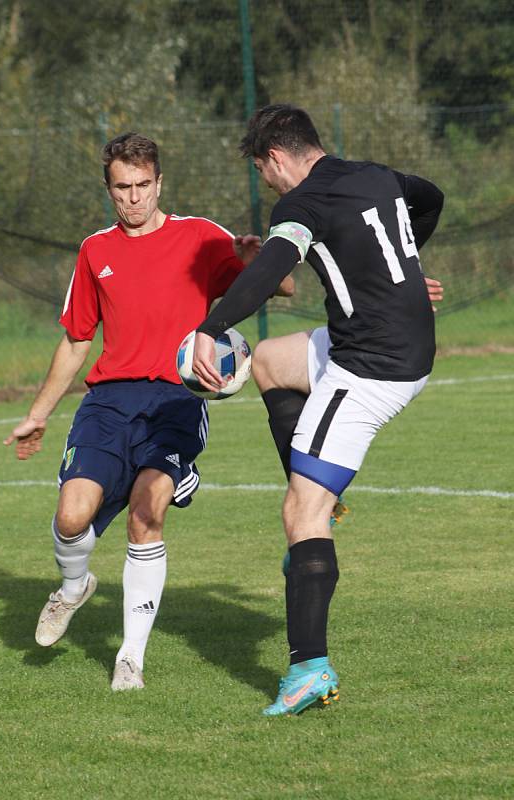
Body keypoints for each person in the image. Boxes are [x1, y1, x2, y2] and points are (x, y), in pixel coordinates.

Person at [3, 132, 292, 692]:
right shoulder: (95, 251)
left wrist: (257, 262)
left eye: (142, 186)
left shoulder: (203, 238)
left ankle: (129, 658)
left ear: (160, 182)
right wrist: (37, 413)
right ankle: (72, 588)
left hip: (176, 400)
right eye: (121, 189)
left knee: (146, 511)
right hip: (109, 401)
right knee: (70, 517)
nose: (133, 199)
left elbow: (280, 285)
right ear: (109, 189)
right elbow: (76, 340)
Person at [192, 104, 444, 716]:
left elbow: (273, 268)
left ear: (276, 158)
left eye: (263, 171)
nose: (269, 184)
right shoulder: (374, 175)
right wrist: (404, 275)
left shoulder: (300, 205)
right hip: (396, 339)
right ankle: (323, 497)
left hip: (372, 366)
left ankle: (310, 669)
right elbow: (430, 198)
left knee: (300, 511)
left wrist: (211, 327)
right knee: (273, 362)